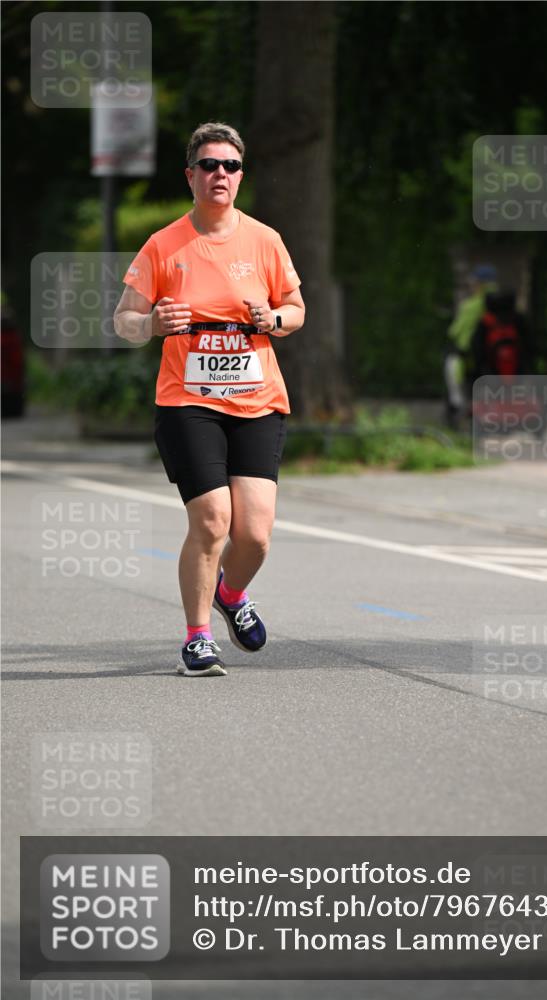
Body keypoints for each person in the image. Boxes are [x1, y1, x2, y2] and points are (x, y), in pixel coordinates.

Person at [114, 122, 305, 677]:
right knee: (213, 521)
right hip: (188, 403)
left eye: (230, 166)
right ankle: (197, 639)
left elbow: (295, 309)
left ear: (240, 177)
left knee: (256, 534)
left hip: (257, 402)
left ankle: (231, 593)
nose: (220, 174)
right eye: (209, 166)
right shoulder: (164, 245)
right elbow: (123, 319)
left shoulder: (264, 240)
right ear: (191, 176)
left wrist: (274, 319)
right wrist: (149, 322)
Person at [443, 263, 498, 427]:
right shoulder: (502, 303)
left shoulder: (471, 305)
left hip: (470, 356)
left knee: (451, 366)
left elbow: (454, 332)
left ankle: (457, 405)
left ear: (479, 284)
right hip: (496, 355)